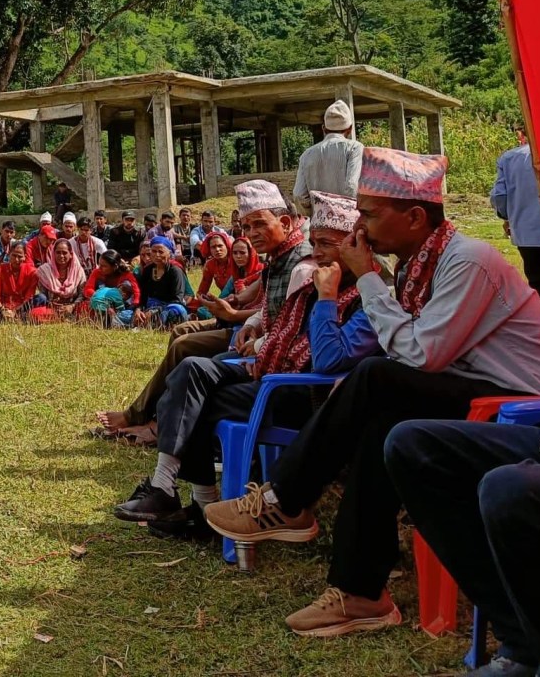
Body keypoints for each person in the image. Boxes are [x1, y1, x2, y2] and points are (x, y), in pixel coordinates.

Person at [203, 148, 540, 639]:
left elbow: (420, 356)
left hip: (525, 405)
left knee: (378, 378)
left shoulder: (467, 261)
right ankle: (360, 594)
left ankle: (288, 499)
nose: (361, 225)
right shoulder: (423, 266)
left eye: (371, 214)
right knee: (382, 423)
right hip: (479, 388)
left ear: (415, 217)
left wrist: (372, 280)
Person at [115, 192, 378, 536]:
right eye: (315, 242)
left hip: (305, 397)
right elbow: (280, 328)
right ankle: (169, 489)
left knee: (196, 398)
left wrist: (326, 299)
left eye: (328, 244)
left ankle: (199, 505)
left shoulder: (366, 297)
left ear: (357, 247)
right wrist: (259, 343)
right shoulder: (313, 281)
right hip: (269, 373)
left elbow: (328, 362)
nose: (317, 252)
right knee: (192, 368)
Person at [386, 352, 540, 677]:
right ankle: (523, 646)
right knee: (411, 445)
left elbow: (426, 350)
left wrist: (364, 301)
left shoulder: (483, 296)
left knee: (508, 490)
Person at [95, 180, 311, 446]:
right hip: (247, 335)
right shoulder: (274, 257)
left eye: (259, 224)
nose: (252, 234)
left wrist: (241, 323)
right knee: (184, 340)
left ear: (287, 223)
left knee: (188, 353)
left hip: (272, 358)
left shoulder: (301, 263)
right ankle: (147, 420)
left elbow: (293, 326)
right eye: (247, 227)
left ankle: (155, 425)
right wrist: (249, 323)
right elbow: (263, 306)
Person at [491, 129, 540, 303]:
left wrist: (507, 217)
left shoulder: (509, 158)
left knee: (537, 282)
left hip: (525, 233)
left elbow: (499, 196)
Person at [292, 99, 364, 214]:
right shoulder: (355, 148)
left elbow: (299, 195)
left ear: (323, 128)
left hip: (318, 225)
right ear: (350, 129)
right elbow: (352, 187)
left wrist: (316, 214)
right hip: (347, 223)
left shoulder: (307, 154)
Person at [31, 239, 86, 323]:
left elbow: (82, 294)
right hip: (52, 309)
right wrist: (52, 304)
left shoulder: (78, 271)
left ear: (71, 254)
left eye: (64, 253)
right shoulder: (45, 270)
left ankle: (62, 319)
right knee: (34, 314)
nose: (61, 256)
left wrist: (71, 306)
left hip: (73, 308)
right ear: (53, 253)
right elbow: (43, 295)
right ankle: (64, 319)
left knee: (86, 308)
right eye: (58, 252)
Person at [138, 241, 191, 327]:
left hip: (169, 306)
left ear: (169, 253)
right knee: (127, 315)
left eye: (161, 252)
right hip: (149, 306)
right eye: (154, 251)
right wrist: (138, 309)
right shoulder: (147, 270)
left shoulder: (175, 271)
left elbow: (177, 298)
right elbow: (143, 296)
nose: (157, 255)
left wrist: (155, 311)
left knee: (175, 311)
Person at [87, 249, 140, 327]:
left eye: (104, 266)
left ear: (115, 266)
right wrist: (102, 297)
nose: (100, 268)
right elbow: (88, 289)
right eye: (99, 264)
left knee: (126, 285)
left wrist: (134, 306)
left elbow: (136, 293)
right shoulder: (97, 272)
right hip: (100, 302)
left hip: (120, 304)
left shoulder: (126, 275)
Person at [0, 240, 37, 322]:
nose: (16, 260)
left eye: (20, 257)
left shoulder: (31, 272)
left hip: (23, 307)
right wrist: (3, 310)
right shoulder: (0, 269)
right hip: (3, 307)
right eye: (14, 255)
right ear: (9, 254)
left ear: (25, 257)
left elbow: (29, 297)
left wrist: (15, 311)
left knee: (40, 299)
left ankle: (19, 316)